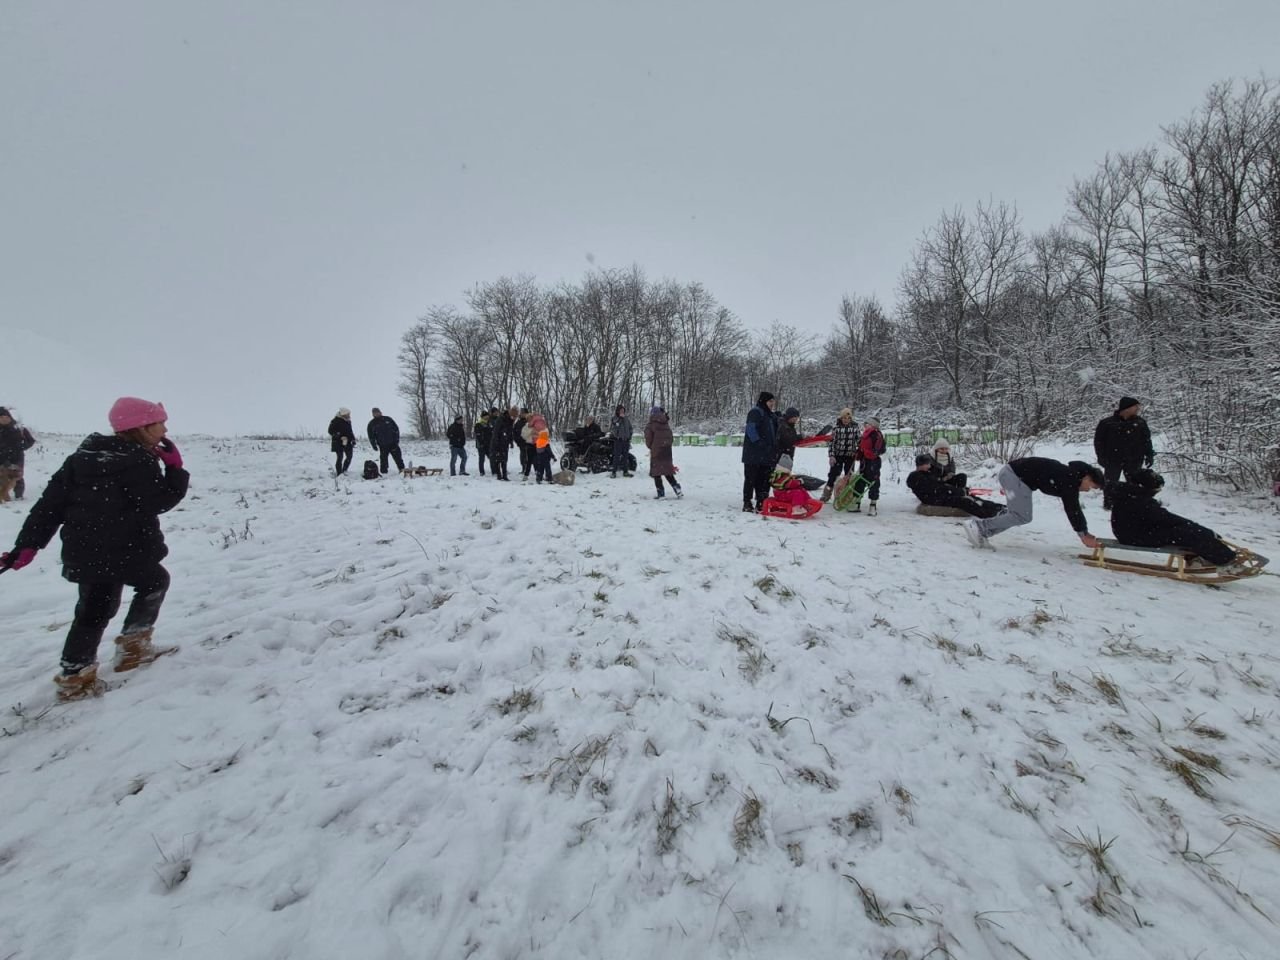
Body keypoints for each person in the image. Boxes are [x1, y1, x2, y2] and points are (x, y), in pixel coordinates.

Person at [0, 397, 189, 700]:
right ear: (141, 427)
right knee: (152, 583)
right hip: (127, 549)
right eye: (160, 423)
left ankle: (77, 674)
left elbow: (49, 507)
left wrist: (27, 545)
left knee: (94, 609)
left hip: (87, 551)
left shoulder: (80, 459)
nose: (165, 428)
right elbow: (160, 501)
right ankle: (129, 651)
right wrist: (175, 469)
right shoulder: (138, 461)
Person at [1109, 469, 1247, 573]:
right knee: (1185, 533)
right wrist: (1201, 530)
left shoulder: (1132, 495)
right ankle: (1226, 562)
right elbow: (1165, 518)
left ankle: (1198, 559)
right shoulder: (1137, 499)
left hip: (1136, 531)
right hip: (1134, 536)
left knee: (1184, 531)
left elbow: (1160, 518)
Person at [964, 457, 1104, 549]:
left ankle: (982, 532)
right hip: (1014, 476)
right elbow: (1073, 509)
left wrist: (1083, 532)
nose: (1088, 490)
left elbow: (1073, 508)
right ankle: (978, 526)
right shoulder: (1069, 480)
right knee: (1021, 515)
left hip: (1014, 475)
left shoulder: (1070, 476)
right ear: (1086, 478)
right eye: (1092, 486)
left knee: (1018, 515)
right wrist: (1083, 535)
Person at [1094, 396, 1154, 509]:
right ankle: (1109, 505)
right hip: (1112, 460)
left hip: (1134, 459)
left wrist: (1149, 455)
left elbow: (1146, 440)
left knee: (1134, 484)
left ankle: (1133, 504)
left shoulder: (1140, 422)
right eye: (1135, 406)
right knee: (1110, 483)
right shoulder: (1107, 423)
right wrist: (1101, 457)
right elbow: (1099, 442)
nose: (1138, 409)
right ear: (1126, 408)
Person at [907, 454, 1001, 518]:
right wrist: (957, 491)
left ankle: (997, 507)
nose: (929, 466)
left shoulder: (927, 473)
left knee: (970, 497)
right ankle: (989, 514)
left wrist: (955, 488)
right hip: (933, 499)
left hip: (938, 495)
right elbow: (936, 488)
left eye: (929, 464)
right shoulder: (916, 476)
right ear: (920, 464)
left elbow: (939, 483)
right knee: (964, 501)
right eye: (926, 464)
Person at [742, 391, 777, 512]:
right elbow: (751, 429)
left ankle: (761, 502)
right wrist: (759, 443)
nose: (772, 404)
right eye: (770, 401)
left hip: (766, 454)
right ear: (764, 401)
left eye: (773, 401)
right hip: (753, 453)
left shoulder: (770, 415)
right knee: (751, 479)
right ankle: (747, 502)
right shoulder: (756, 412)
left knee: (763, 480)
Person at [644, 406, 682, 499]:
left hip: (657, 451)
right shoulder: (666, 424)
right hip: (666, 451)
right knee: (668, 471)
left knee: (656, 473)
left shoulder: (651, 424)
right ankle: (676, 487)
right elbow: (671, 437)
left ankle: (661, 493)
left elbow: (648, 438)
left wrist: (652, 447)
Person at [0, 406, 36, 503]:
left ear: (10, 417)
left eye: (6, 417)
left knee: (17, 477)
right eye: (1, 417)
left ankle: (19, 496)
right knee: (2, 478)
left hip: (17, 457)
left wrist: (22, 447)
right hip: (1, 457)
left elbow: (31, 441)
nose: (4, 419)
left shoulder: (19, 428)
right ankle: (3, 496)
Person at [821, 408, 858, 502]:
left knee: (849, 476)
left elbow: (859, 441)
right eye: (844, 418)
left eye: (848, 418)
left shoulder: (855, 428)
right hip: (838, 455)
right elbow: (831, 443)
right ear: (841, 418)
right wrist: (831, 455)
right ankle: (826, 494)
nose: (846, 420)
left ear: (851, 419)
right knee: (833, 475)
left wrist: (859, 451)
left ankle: (846, 495)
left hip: (850, 455)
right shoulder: (836, 429)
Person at [855, 416, 887, 516]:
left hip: (873, 462)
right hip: (865, 462)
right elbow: (861, 447)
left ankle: (872, 505)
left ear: (873, 425)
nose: (865, 426)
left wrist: (869, 453)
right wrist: (859, 454)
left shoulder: (876, 435)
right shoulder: (865, 435)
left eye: (867, 424)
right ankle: (857, 503)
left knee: (873, 482)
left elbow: (879, 450)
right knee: (860, 481)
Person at [367, 407, 405, 475]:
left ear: (380, 412)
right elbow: (371, 436)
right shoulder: (371, 424)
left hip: (393, 443)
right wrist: (374, 445)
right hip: (382, 445)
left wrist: (396, 440)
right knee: (383, 459)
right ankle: (384, 472)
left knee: (398, 457)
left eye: (377, 412)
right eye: (374, 413)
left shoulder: (388, 419)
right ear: (373, 414)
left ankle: (402, 469)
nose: (376, 414)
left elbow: (396, 429)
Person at [489, 406, 515, 481]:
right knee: (498, 458)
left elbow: (510, 432)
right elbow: (496, 431)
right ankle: (499, 474)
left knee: (504, 459)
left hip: (505, 442)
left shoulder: (510, 421)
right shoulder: (500, 419)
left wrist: (511, 441)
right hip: (498, 442)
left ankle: (504, 474)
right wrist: (496, 441)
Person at [529, 413, 556, 483]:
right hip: (546, 459)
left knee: (540, 469)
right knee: (547, 468)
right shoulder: (546, 443)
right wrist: (553, 457)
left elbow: (537, 450)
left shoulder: (538, 442)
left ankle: (539, 479)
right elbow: (549, 451)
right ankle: (549, 478)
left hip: (539, 458)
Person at [328, 408, 356, 475]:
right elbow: (330, 431)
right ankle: (339, 473)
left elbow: (350, 431)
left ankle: (344, 470)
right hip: (338, 442)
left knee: (349, 456)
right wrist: (339, 435)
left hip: (348, 442)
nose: (349, 415)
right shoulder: (335, 421)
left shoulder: (348, 421)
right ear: (343, 414)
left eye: (349, 414)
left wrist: (353, 439)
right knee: (340, 457)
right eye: (347, 414)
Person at [609, 404, 634, 478]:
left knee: (626, 457)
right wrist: (619, 419)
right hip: (618, 441)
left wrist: (630, 435)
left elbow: (630, 428)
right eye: (621, 410)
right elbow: (614, 428)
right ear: (618, 411)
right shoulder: (614, 418)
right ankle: (614, 472)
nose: (622, 412)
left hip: (626, 441)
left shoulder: (626, 419)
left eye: (623, 410)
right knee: (616, 457)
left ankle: (625, 471)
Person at [514, 407, 534, 481]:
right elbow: (515, 432)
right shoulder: (518, 422)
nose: (522, 414)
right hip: (521, 442)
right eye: (521, 413)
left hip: (530, 442)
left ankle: (533, 469)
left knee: (531, 457)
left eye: (523, 413)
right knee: (523, 456)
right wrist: (517, 440)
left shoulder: (530, 421)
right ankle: (523, 468)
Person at [473, 410, 493, 476]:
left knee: (491, 457)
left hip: (488, 444)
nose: (487, 417)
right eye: (486, 416)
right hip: (481, 444)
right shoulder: (478, 424)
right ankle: (481, 471)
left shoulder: (489, 424)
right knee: (482, 458)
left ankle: (494, 470)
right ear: (483, 417)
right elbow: (478, 435)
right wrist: (481, 443)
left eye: (488, 416)